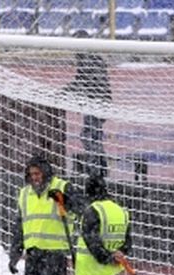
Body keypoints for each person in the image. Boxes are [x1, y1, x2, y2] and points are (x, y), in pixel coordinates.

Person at [63, 29, 111, 177]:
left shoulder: (88, 60)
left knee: (89, 136)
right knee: (92, 135)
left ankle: (97, 169)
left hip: (97, 104)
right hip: (98, 103)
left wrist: (65, 93)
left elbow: (84, 82)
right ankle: (100, 167)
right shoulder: (91, 59)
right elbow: (83, 81)